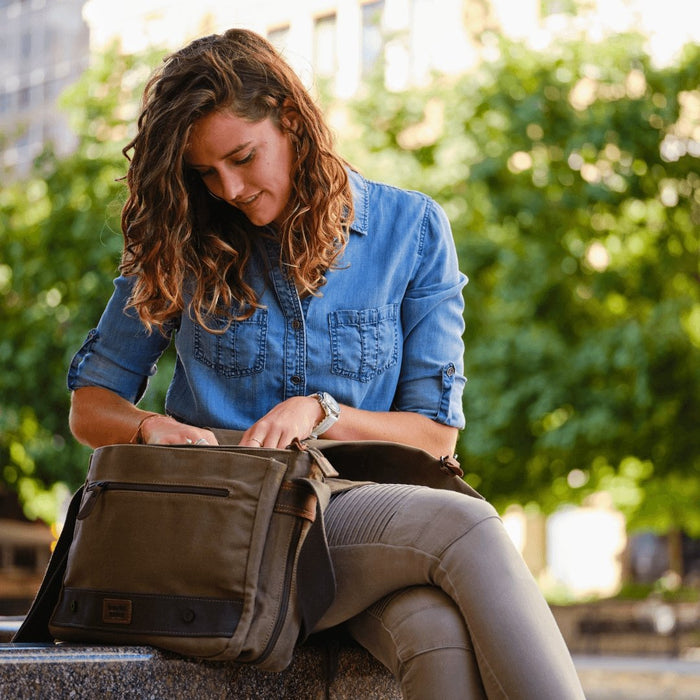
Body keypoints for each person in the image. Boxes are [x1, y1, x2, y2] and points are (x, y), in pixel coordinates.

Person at [67, 28, 585, 699]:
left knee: (436, 635)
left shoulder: (412, 231)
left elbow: (434, 437)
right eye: (204, 172)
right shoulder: (182, 240)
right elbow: (90, 407)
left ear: (289, 118)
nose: (226, 187)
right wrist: (147, 429)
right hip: (229, 528)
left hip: (351, 522)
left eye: (242, 157)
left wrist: (324, 412)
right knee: (469, 524)